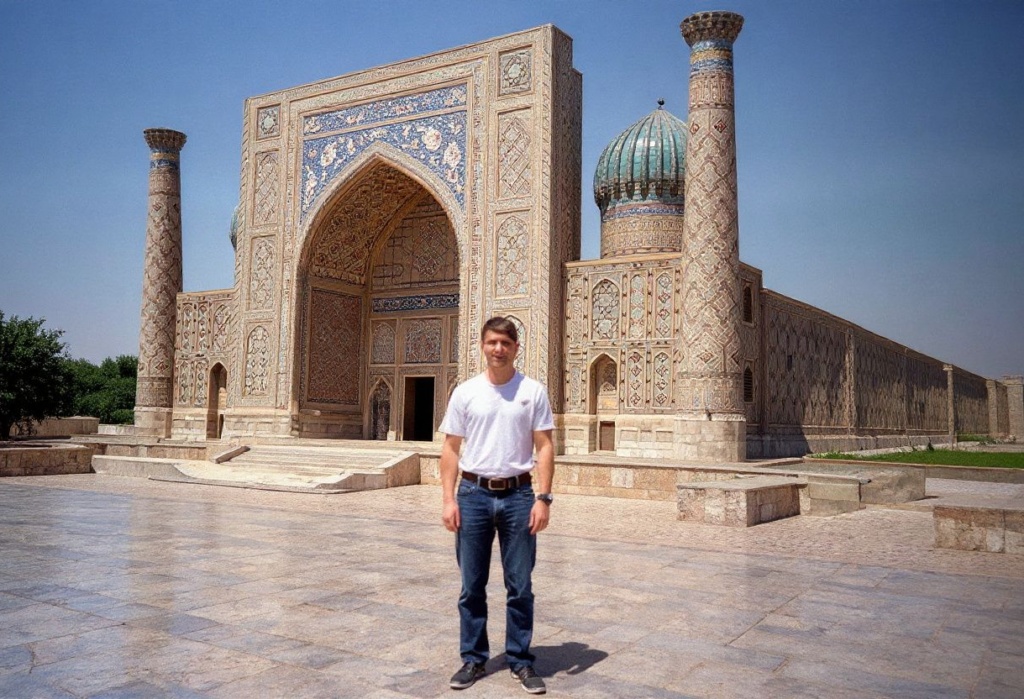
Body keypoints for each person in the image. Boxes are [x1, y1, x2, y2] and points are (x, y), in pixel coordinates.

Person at [439, 317, 555, 695]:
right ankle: (473, 658)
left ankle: (520, 660)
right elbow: (451, 449)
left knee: (520, 585)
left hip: (520, 496)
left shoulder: (532, 391)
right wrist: (448, 499)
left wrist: (543, 497)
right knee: (471, 585)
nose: (498, 349)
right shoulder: (466, 392)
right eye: (492, 342)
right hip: (473, 495)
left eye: (505, 342)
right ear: (482, 345)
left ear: (516, 347)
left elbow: (545, 446)